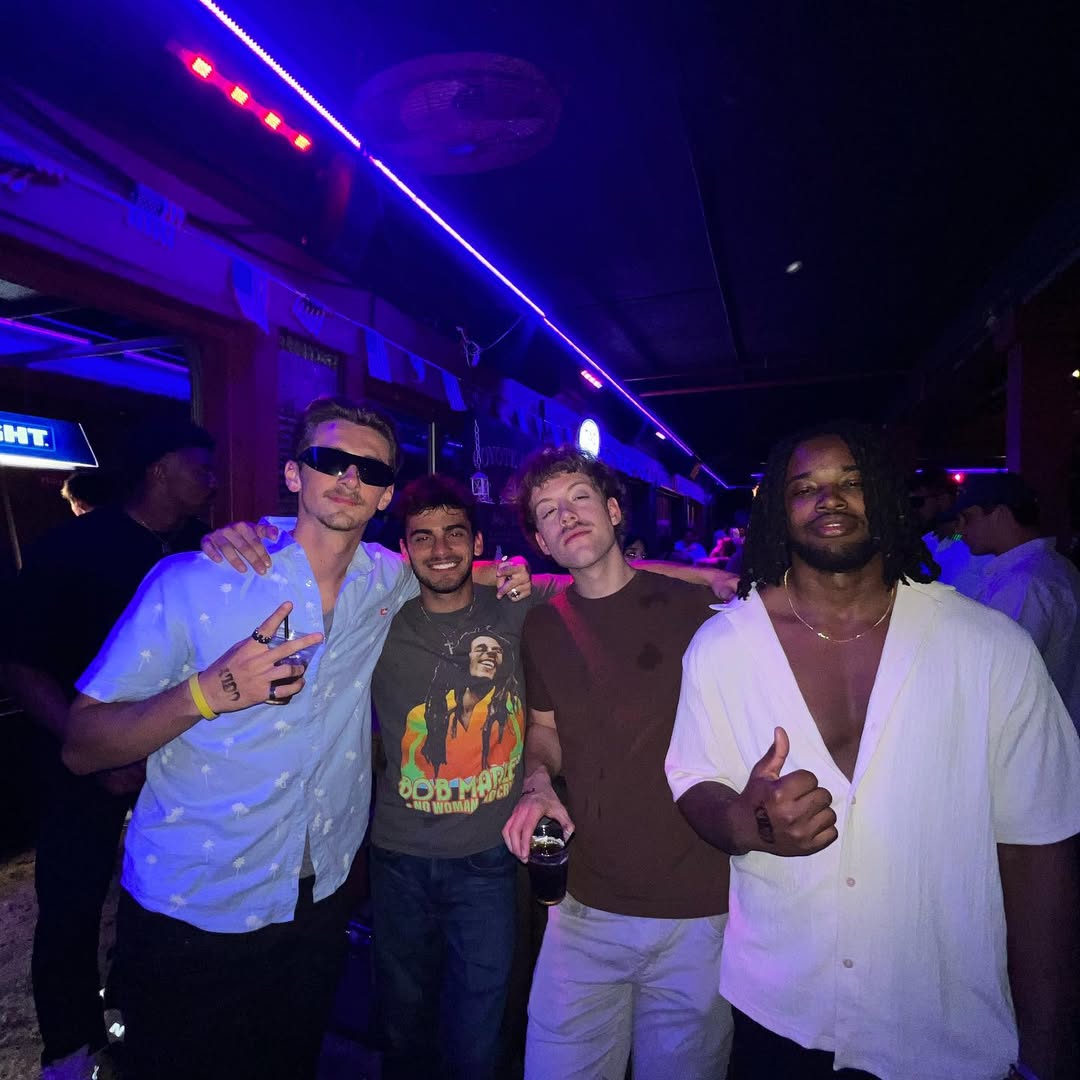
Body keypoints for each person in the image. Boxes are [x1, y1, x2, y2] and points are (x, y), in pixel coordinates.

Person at [62, 397, 531, 1080]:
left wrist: (530, 573)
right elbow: (81, 744)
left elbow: (459, 568)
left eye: (370, 470)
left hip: (318, 899)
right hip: (196, 904)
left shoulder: (385, 580)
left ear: (385, 495)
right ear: (293, 474)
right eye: (329, 460)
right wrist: (207, 692)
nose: (350, 478)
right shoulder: (195, 581)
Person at [665, 421, 1080, 1080]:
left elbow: (1039, 849)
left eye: (851, 482)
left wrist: (1047, 1047)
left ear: (883, 496)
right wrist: (745, 821)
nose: (829, 498)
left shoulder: (988, 647)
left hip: (945, 1021)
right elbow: (692, 779)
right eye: (805, 487)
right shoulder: (723, 648)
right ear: (778, 510)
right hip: (782, 1011)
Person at [502, 445, 737, 1080]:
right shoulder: (542, 627)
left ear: (612, 511)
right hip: (582, 908)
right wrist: (537, 781)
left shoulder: (702, 612)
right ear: (542, 543)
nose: (566, 515)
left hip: (696, 912)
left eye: (579, 498)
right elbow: (543, 729)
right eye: (547, 511)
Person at [2, 418, 215, 1080]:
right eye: (200, 466)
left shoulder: (202, 550)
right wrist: (92, 747)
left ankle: (135, 1018)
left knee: (160, 897)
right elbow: (21, 665)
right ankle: (68, 1050)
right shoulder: (72, 547)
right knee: (71, 903)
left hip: (172, 763)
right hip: (77, 764)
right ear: (159, 470)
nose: (211, 480)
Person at [369, 475, 561, 1080]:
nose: (440, 549)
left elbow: (607, 576)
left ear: (477, 543)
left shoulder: (516, 605)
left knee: (478, 1040)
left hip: (487, 861)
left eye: (454, 533)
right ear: (404, 550)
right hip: (398, 858)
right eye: (422, 537)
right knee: (403, 1033)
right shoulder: (379, 620)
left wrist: (719, 580)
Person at [957, 472, 1080, 728]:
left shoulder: (1023, 583)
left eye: (968, 518)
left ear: (1000, 514)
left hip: (1033, 733)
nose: (961, 529)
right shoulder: (1053, 566)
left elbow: (998, 676)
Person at [909, 467, 989, 596]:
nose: (913, 509)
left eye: (918, 502)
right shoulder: (926, 541)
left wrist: (956, 536)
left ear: (943, 498)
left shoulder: (975, 543)